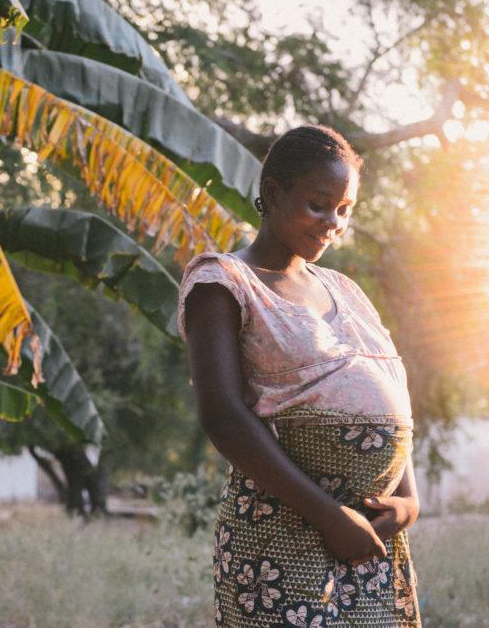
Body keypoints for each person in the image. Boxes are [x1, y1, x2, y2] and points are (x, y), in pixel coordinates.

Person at [178, 125, 421, 627]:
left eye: (345, 210)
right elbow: (223, 417)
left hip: (367, 542)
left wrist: (408, 502)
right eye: (319, 203)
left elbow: (389, 391)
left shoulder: (345, 289)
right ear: (273, 192)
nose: (333, 222)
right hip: (282, 538)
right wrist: (330, 518)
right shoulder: (222, 282)